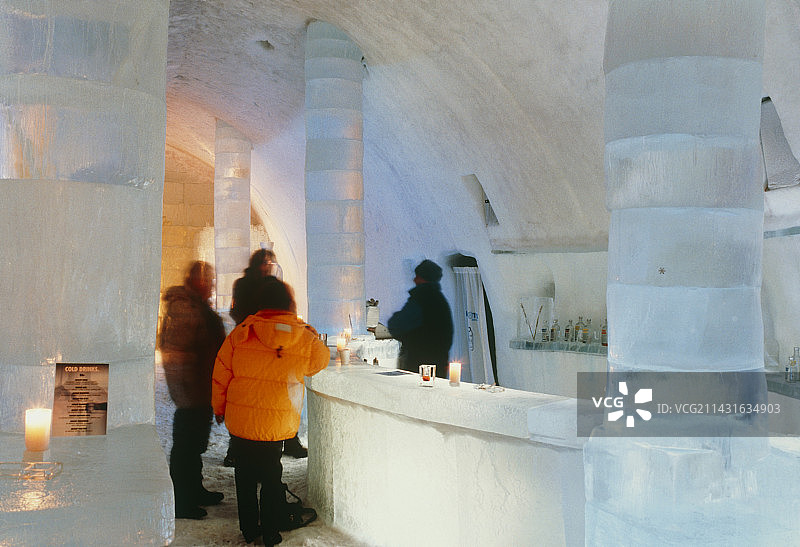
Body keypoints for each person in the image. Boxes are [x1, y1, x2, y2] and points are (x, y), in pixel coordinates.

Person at [212, 278, 330, 545]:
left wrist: (219, 408)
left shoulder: (241, 332)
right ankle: (270, 530)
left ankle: (249, 529)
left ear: (260, 303)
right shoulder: (301, 336)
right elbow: (320, 360)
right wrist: (305, 327)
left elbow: (221, 373)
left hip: (242, 422)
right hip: (276, 422)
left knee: (244, 476)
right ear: (289, 303)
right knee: (270, 475)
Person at [224, 249, 308, 465]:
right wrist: (252, 325)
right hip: (250, 341)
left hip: (274, 346)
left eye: (270, 262)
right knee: (247, 399)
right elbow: (236, 310)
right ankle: (236, 449)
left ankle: (289, 440)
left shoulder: (272, 283)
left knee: (279, 397)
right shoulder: (243, 285)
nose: (267, 266)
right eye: (264, 262)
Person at [159, 261, 226, 519]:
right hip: (191, 390)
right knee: (186, 447)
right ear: (196, 281)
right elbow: (177, 354)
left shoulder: (196, 305)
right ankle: (181, 500)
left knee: (194, 444)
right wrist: (186, 390)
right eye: (207, 279)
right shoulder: (185, 307)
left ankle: (194, 489)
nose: (211, 284)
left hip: (200, 387)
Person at [387, 259, 454, 378]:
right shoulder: (440, 300)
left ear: (422, 277)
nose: (414, 279)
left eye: (417, 276)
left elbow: (396, 325)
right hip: (438, 364)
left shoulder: (421, 298)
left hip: (419, 365)